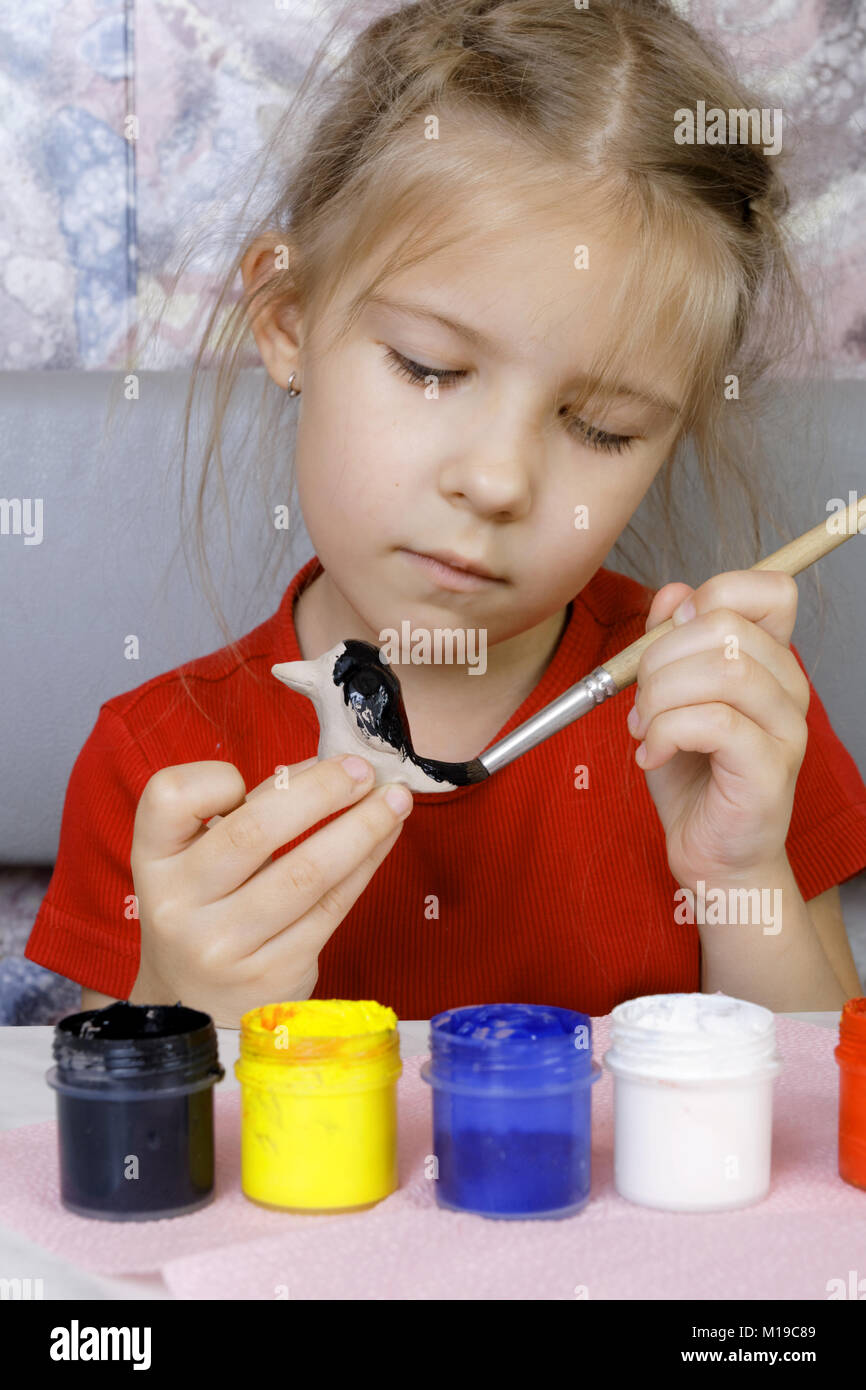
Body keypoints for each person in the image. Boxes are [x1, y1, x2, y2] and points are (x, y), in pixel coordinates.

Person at [26, 0, 866, 1027]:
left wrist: (738, 872)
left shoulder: (720, 718)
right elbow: (108, 1161)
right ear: (288, 321)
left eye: (600, 427)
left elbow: (824, 1130)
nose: (499, 481)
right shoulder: (162, 760)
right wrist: (181, 1001)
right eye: (429, 369)